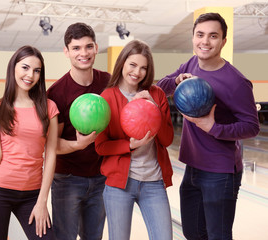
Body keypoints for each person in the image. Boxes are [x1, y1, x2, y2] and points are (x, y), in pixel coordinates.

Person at [156, 13, 260, 240]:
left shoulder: (236, 82)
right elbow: (160, 89)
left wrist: (213, 127)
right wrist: (175, 80)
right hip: (192, 166)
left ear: (223, 41)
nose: (205, 41)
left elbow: (252, 126)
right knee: (193, 233)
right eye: (200, 35)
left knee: (218, 235)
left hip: (220, 172)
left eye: (213, 36)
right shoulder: (191, 64)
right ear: (193, 38)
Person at [0, 45, 58, 240]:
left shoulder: (49, 107)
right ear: (13, 67)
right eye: (25, 67)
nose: (30, 75)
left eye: (36, 70)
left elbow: (51, 155)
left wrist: (42, 202)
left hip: (32, 195)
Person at [95, 39, 174, 240]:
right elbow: (101, 146)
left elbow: (167, 140)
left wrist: (154, 108)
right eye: (132, 65)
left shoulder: (156, 94)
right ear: (122, 63)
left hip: (154, 183)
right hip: (119, 185)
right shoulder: (107, 97)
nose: (137, 72)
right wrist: (129, 145)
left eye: (143, 68)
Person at [46, 22, 111, 240]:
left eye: (88, 46)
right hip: (68, 179)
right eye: (76, 48)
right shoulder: (56, 93)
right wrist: (78, 145)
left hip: (101, 177)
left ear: (96, 47)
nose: (83, 53)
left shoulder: (108, 82)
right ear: (66, 52)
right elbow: (52, 144)